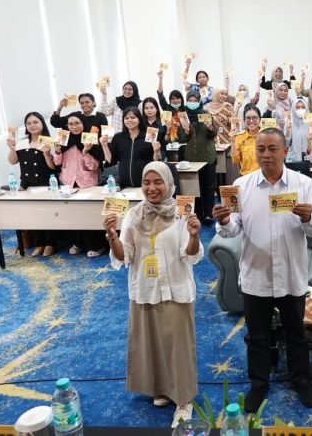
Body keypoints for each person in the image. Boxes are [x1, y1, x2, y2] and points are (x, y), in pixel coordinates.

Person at [213, 128, 312, 412]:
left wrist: (308, 217)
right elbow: (232, 230)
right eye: (261, 149)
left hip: (290, 274)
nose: (266, 155)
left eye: (272, 149)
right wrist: (224, 221)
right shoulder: (241, 185)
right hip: (257, 274)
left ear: (285, 151)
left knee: (296, 334)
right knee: (257, 336)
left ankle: (301, 380)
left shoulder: (303, 184)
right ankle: (258, 384)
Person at [104, 162, 203, 428]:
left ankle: (183, 400)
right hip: (145, 289)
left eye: (158, 182)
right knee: (152, 343)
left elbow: (190, 255)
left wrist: (194, 235)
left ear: (169, 184)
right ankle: (162, 388)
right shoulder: (134, 215)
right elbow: (124, 256)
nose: (152, 188)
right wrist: (112, 236)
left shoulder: (182, 213)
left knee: (178, 346)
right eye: (146, 182)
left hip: (175, 288)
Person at [51, 112, 107, 257]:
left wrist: (86, 152)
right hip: (68, 183)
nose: (74, 127)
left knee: (89, 215)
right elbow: (56, 163)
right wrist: (57, 151)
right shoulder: (63, 140)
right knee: (72, 215)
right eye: (70, 124)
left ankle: (96, 246)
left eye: (77, 123)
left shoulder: (90, 139)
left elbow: (94, 166)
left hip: (87, 184)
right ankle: (77, 243)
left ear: (83, 124)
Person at [6, 111, 57, 256]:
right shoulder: (21, 142)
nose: (32, 125)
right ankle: (39, 243)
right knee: (33, 213)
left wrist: (46, 154)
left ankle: (50, 243)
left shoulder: (49, 141)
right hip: (27, 184)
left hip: (45, 183)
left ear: (42, 123)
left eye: (35, 122)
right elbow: (13, 161)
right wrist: (11, 148)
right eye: (29, 123)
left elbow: (53, 167)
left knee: (47, 213)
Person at [176, 92, 218, 222]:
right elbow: (181, 139)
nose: (192, 102)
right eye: (190, 100)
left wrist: (210, 126)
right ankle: (197, 214)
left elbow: (214, 133)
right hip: (192, 158)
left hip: (207, 156)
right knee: (194, 187)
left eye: (195, 100)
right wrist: (186, 131)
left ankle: (209, 214)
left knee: (208, 187)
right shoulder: (183, 116)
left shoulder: (205, 114)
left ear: (199, 101)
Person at [101, 107, 161, 189]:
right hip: (124, 185)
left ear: (139, 120)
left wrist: (156, 151)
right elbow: (110, 161)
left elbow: (155, 162)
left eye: (133, 117)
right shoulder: (118, 137)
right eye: (126, 118)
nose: (129, 120)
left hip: (145, 184)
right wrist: (104, 145)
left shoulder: (149, 136)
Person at [231, 104, 262, 175]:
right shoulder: (240, 137)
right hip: (246, 177)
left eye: (254, 118)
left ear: (260, 119)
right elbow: (235, 160)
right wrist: (232, 141)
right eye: (248, 118)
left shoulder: (267, 136)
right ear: (244, 120)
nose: (251, 121)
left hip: (264, 177)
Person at [286, 98, 311, 162]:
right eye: (298, 107)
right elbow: (286, 145)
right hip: (293, 161)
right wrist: (288, 132)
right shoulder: (289, 124)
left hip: (308, 160)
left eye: (303, 107)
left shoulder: (311, 124)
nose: (300, 109)